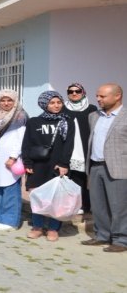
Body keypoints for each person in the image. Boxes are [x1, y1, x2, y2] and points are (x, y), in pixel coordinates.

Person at [21, 91, 75, 242]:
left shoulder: (66, 121)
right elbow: (27, 143)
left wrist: (64, 163)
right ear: (45, 104)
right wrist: (27, 163)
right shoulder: (33, 122)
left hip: (57, 166)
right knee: (37, 197)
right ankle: (37, 227)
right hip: (37, 165)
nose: (56, 105)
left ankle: (53, 228)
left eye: (58, 102)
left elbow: (69, 144)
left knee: (57, 198)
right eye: (52, 103)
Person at [82, 84, 127, 253]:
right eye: (97, 96)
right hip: (95, 166)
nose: (98, 99)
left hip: (119, 168)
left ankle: (121, 240)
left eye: (103, 96)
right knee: (97, 205)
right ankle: (102, 235)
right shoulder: (94, 116)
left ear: (117, 96)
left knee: (119, 206)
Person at [0, 89, 28, 231]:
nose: (6, 103)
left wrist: (13, 157)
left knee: (10, 190)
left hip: (10, 159)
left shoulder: (20, 116)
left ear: (15, 101)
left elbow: (21, 139)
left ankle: (10, 221)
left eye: (10, 100)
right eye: (3, 100)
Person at [63, 83, 97, 214]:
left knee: (83, 178)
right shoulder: (63, 108)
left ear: (83, 92)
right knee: (69, 178)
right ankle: (70, 205)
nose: (74, 93)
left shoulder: (91, 109)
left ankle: (84, 205)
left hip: (85, 148)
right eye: (70, 91)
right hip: (68, 148)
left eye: (77, 91)